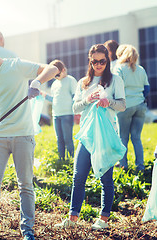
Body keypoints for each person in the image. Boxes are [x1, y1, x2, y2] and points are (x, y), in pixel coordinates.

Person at [0, 40, 59, 240]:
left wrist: (36, 82)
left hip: (23, 135)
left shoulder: (16, 66)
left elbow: (52, 68)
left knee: (25, 184)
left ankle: (27, 233)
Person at [55, 44, 126, 230]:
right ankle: (72, 218)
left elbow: (123, 105)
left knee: (106, 179)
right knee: (78, 177)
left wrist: (107, 101)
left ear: (107, 61)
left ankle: (103, 219)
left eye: (102, 61)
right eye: (94, 61)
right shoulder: (83, 82)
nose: (98, 65)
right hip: (86, 135)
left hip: (106, 134)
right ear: (90, 61)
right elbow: (74, 107)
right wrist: (88, 100)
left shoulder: (115, 80)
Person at [114, 44, 150, 172]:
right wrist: (138, 98)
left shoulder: (119, 69)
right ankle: (140, 167)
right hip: (140, 106)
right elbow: (147, 89)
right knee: (136, 137)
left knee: (123, 137)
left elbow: (116, 88)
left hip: (125, 107)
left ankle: (124, 166)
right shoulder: (141, 69)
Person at [41, 60, 77, 161]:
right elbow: (54, 99)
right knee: (59, 139)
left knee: (68, 139)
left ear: (64, 70)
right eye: (54, 75)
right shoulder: (54, 84)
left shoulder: (70, 80)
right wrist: (45, 96)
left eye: (57, 74)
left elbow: (75, 96)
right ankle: (61, 160)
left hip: (67, 114)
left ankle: (71, 160)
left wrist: (77, 111)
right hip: (56, 115)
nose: (56, 77)